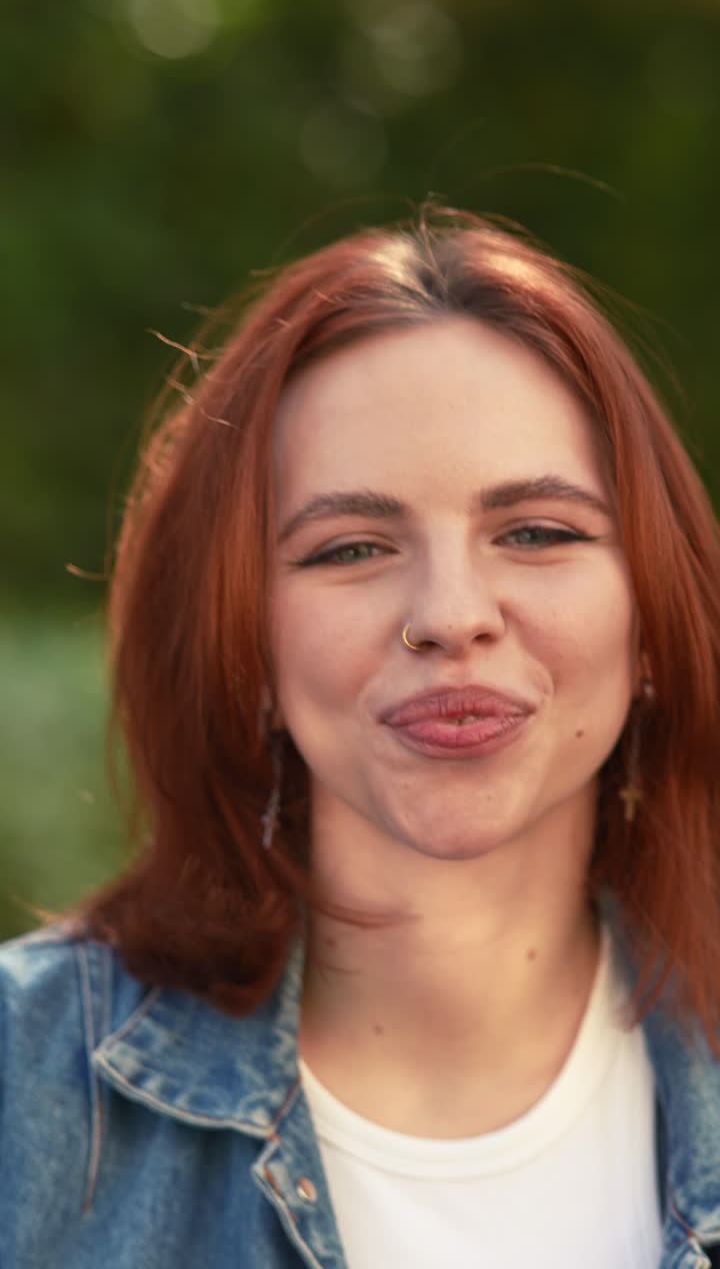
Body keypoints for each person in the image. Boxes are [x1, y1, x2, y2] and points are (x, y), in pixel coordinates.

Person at [1, 209, 719, 1269]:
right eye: (350, 548)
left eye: (537, 531)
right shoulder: (23, 1080)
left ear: (653, 615)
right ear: (243, 642)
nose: (452, 614)